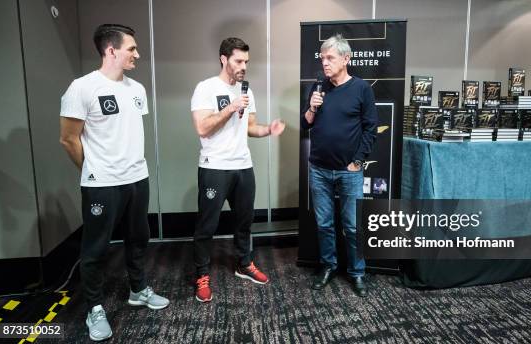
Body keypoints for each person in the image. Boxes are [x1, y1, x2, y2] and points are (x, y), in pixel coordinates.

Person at [59, 24, 169, 341]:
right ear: (111, 50)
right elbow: (68, 139)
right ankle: (94, 309)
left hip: (137, 178)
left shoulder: (137, 90)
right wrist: (94, 170)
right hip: (102, 184)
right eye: (131, 48)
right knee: (96, 249)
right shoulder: (82, 88)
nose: (137, 53)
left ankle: (138, 289)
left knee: (139, 239)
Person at [190, 37, 285, 303]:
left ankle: (244, 263)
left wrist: (267, 130)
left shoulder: (246, 91)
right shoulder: (205, 88)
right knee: (206, 226)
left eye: (246, 61)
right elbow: (202, 128)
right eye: (238, 61)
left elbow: (250, 126)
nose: (244, 66)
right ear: (224, 59)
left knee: (244, 221)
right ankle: (201, 274)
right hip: (214, 167)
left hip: (243, 166)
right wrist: (231, 107)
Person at [301, 34, 377, 297]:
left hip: (349, 171)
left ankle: (357, 272)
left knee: (353, 226)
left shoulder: (361, 89)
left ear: (346, 59)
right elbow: (306, 124)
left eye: (330, 58)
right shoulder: (318, 87)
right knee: (324, 223)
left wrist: (357, 162)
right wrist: (311, 108)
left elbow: (370, 129)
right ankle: (328, 266)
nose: (325, 62)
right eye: (322, 58)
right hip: (319, 169)